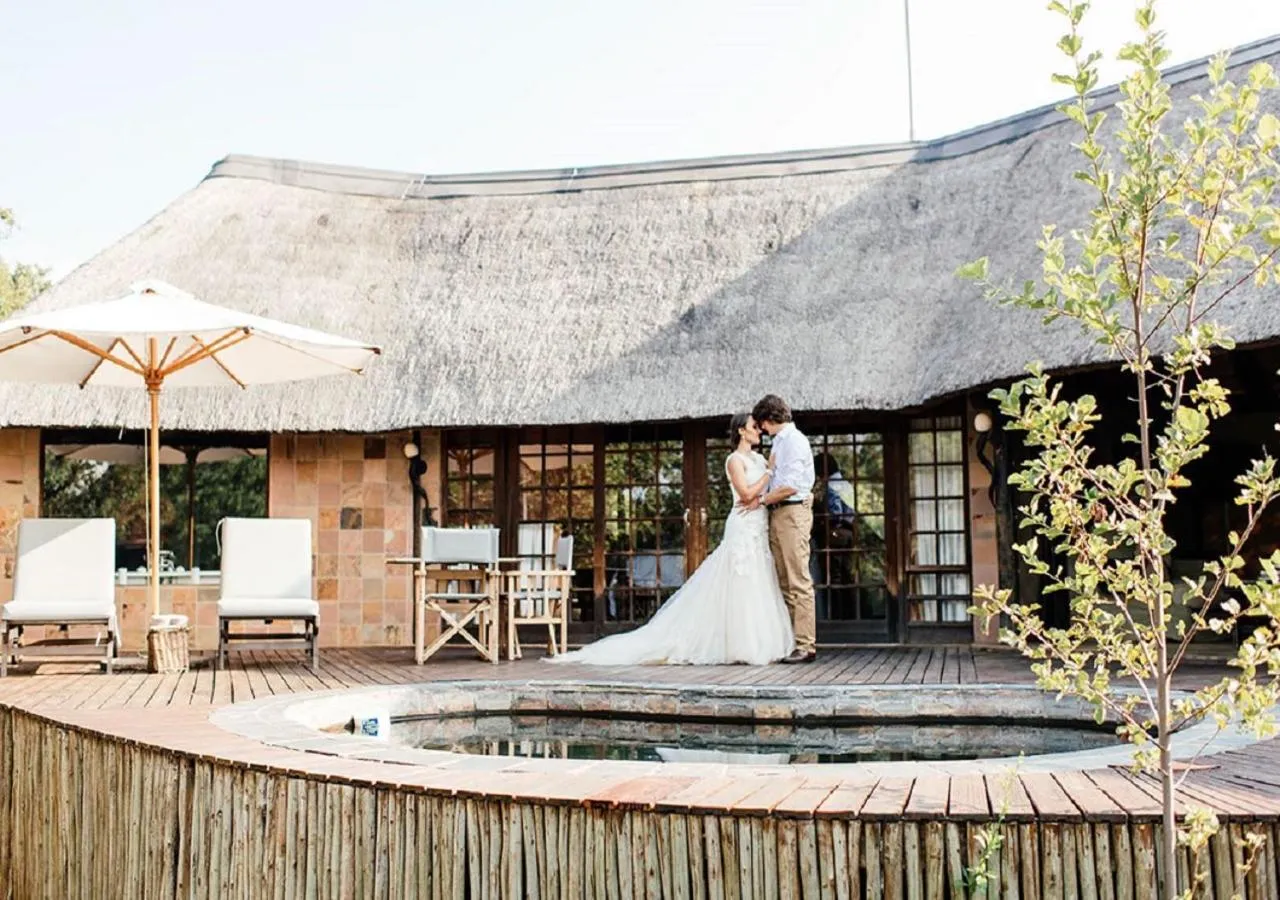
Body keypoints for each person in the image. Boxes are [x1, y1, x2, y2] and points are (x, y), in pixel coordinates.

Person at [545, 413, 793, 666]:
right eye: (754, 427)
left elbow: (767, 490)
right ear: (741, 431)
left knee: (758, 581)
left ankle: (759, 642)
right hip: (742, 527)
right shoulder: (734, 460)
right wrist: (769, 473)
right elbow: (746, 494)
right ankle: (741, 646)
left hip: (759, 525)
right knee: (740, 580)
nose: (759, 431)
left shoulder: (760, 459)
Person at [748, 394, 817, 664]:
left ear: (768, 420)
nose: (761, 430)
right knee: (784, 580)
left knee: (798, 578)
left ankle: (805, 644)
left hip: (791, 511)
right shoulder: (780, 442)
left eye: (761, 424)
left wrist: (761, 500)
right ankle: (791, 640)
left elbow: (789, 485)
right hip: (778, 513)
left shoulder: (794, 441)